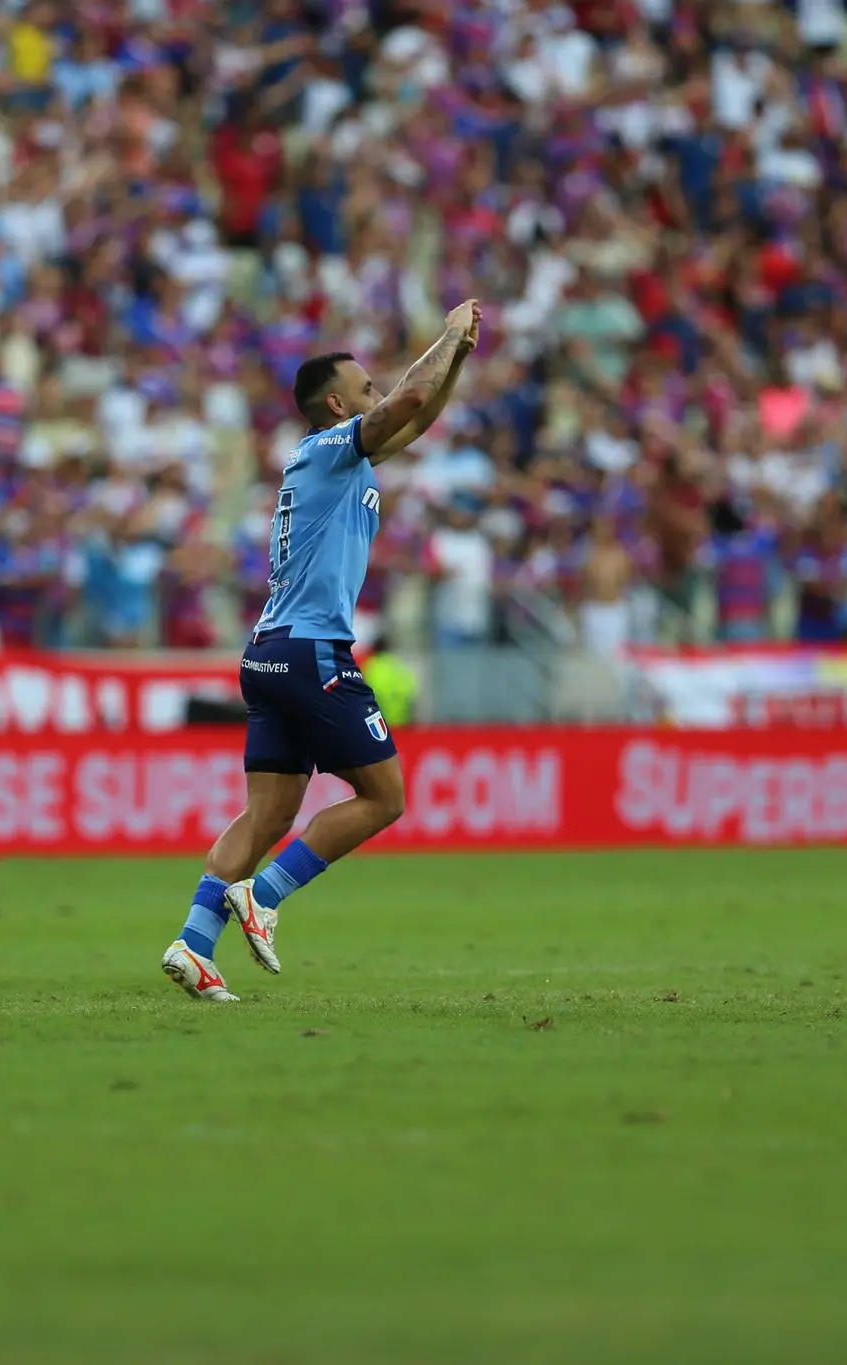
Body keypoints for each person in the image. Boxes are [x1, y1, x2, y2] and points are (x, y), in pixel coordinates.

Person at [161, 300, 481, 1002]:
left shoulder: (334, 461)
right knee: (384, 795)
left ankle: (193, 942)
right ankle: (265, 894)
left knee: (268, 814)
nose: (380, 394)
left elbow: (417, 415)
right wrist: (448, 334)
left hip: (268, 654)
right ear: (336, 403)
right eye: (366, 388)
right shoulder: (330, 449)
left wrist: (457, 359)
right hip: (312, 653)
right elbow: (412, 399)